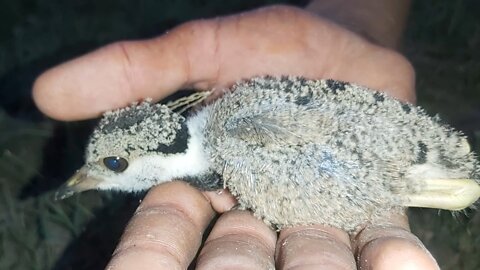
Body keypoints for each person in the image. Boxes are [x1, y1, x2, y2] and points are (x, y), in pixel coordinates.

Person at [33, 1, 441, 269]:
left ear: (154, 158)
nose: (92, 177)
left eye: (115, 166)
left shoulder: (237, 157)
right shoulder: (227, 110)